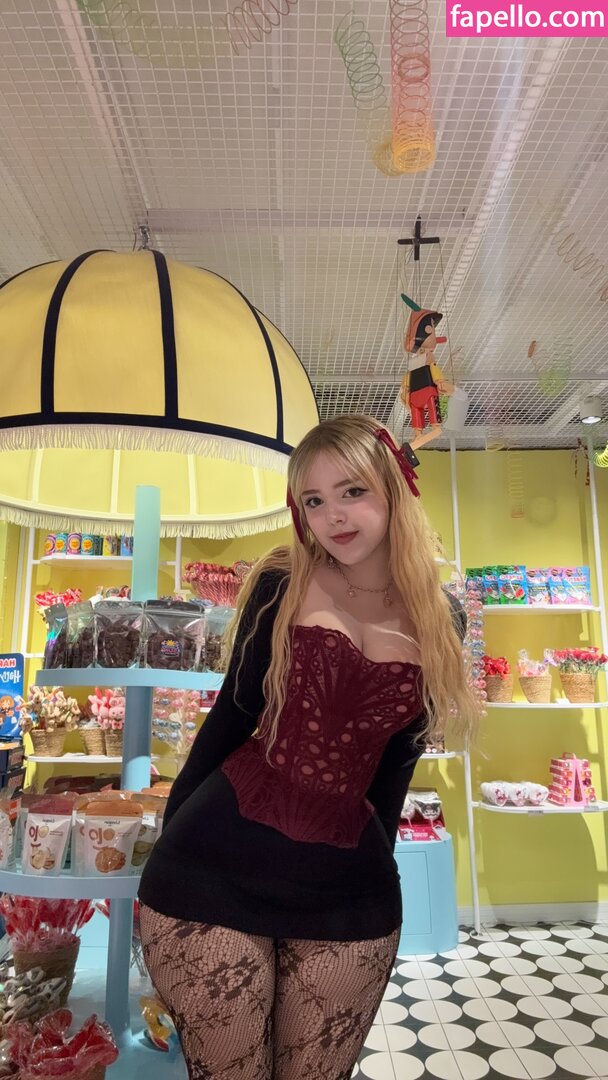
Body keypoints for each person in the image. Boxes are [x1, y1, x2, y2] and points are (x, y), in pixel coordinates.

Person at [138, 414, 480, 1080]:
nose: (333, 516)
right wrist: (163, 850)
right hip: (210, 868)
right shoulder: (281, 583)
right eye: (314, 501)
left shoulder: (444, 618)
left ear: (393, 488)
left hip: (347, 890)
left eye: (352, 491)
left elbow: (395, 768)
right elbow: (230, 719)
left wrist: (375, 865)